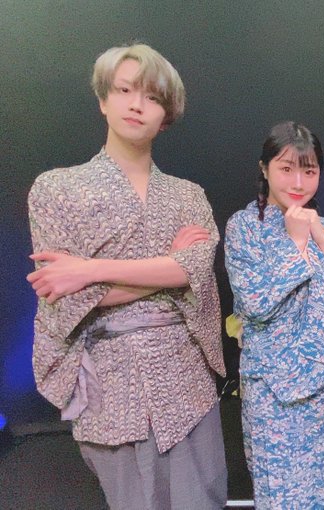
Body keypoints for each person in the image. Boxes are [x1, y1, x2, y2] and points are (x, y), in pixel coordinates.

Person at [26, 44, 227, 509]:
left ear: (166, 116)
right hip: (109, 380)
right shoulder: (57, 188)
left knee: (203, 499)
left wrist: (89, 270)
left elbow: (195, 269)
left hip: (187, 379)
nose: (137, 105)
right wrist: (168, 268)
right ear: (103, 99)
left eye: (152, 97)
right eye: (124, 91)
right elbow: (63, 293)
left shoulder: (188, 196)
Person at [224, 122, 324, 509]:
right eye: (286, 169)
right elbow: (255, 302)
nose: (298, 182)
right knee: (282, 496)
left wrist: (317, 235)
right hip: (274, 394)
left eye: (309, 170)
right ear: (264, 169)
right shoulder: (244, 226)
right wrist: (297, 243)